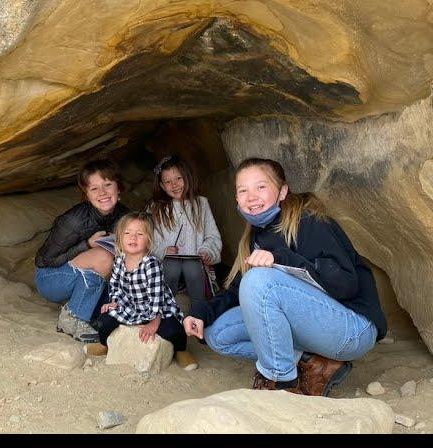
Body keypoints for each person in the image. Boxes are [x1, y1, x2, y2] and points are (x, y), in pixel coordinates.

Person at [183, 157, 387, 396]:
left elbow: (346, 286)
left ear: (282, 191)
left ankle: (280, 381)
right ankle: (311, 361)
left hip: (352, 328)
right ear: (236, 199)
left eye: (261, 187)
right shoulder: (254, 238)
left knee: (259, 280)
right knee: (217, 334)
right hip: (314, 328)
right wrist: (200, 312)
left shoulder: (309, 222)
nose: (251, 197)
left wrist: (280, 259)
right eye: (243, 190)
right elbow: (239, 290)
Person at [85, 212, 197, 371]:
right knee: (104, 319)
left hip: (156, 309)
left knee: (173, 329)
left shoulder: (151, 264)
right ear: (120, 238)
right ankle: (104, 344)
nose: (133, 238)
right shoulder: (119, 260)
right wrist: (114, 302)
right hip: (129, 307)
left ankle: (181, 350)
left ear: (149, 240)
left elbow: (156, 295)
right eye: (127, 233)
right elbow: (115, 284)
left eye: (139, 234)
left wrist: (154, 322)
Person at [35, 159, 129, 343]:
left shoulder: (124, 216)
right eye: (94, 189)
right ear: (86, 195)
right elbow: (44, 261)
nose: (102, 193)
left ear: (119, 188)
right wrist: (86, 245)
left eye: (108, 185)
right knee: (103, 257)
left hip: (86, 277)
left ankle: (85, 314)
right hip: (51, 279)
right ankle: (73, 318)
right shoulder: (74, 220)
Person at [149, 154, 223, 307]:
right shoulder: (155, 209)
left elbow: (212, 236)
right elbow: (147, 241)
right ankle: (163, 308)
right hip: (167, 268)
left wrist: (207, 251)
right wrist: (163, 250)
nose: (174, 185)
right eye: (168, 182)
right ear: (162, 186)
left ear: (187, 178)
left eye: (178, 179)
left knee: (192, 265)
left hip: (195, 267)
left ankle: (200, 311)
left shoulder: (201, 203)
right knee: (173, 265)